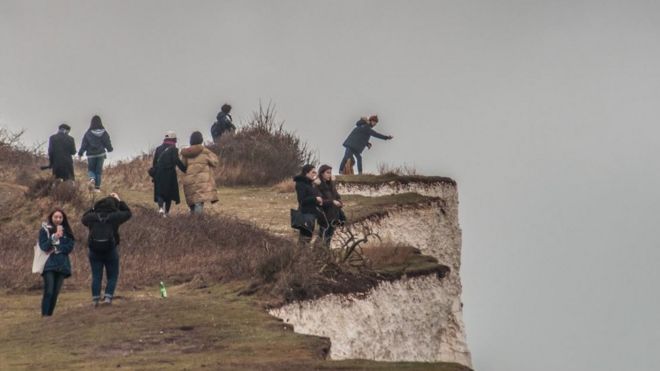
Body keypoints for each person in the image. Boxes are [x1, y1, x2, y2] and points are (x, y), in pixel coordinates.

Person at [81, 193, 132, 306]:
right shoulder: (115, 216)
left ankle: (95, 299)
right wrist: (119, 200)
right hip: (110, 249)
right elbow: (128, 213)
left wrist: (93, 207)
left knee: (96, 275)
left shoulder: (91, 217)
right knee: (113, 275)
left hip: (94, 250)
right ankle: (108, 297)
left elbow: (83, 218)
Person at [38, 208, 75, 316]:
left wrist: (57, 247)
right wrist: (54, 237)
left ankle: (50, 316)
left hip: (62, 265)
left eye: (60, 217)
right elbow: (44, 246)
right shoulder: (45, 230)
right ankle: (44, 315)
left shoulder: (67, 232)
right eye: (56, 217)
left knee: (55, 293)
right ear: (51, 217)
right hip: (48, 265)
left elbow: (69, 247)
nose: (58, 219)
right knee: (48, 291)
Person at [180, 131, 219, 214]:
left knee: (192, 203)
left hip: (189, 181)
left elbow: (182, 166)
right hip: (202, 181)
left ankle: (191, 223)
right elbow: (215, 162)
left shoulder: (186, 153)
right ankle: (198, 223)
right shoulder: (205, 152)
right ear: (201, 140)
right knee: (199, 202)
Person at [152, 131, 186, 216]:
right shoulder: (173, 149)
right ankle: (166, 213)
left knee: (160, 192)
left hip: (159, 173)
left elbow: (154, 162)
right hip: (169, 174)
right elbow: (176, 161)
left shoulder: (158, 149)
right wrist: (185, 169)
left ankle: (160, 209)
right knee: (169, 194)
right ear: (173, 139)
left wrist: (154, 174)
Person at [293, 164, 328, 245]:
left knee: (308, 237)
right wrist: (315, 199)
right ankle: (298, 256)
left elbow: (315, 195)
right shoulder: (300, 184)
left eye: (315, 172)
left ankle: (304, 255)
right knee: (304, 239)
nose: (315, 174)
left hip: (311, 213)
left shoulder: (310, 183)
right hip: (305, 214)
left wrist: (319, 199)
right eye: (313, 172)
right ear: (306, 173)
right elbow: (301, 200)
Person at [78, 115, 113, 192]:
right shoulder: (104, 132)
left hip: (91, 155)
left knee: (91, 169)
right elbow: (107, 142)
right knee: (98, 171)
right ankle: (97, 188)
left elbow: (84, 144)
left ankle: (92, 178)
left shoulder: (88, 133)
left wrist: (80, 153)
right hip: (101, 154)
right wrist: (110, 149)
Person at [316, 164, 345, 246]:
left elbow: (337, 196)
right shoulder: (318, 185)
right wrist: (332, 202)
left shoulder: (331, 184)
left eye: (330, 173)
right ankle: (316, 254)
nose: (330, 174)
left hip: (334, 214)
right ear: (322, 173)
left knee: (329, 238)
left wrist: (340, 202)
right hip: (324, 216)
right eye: (327, 172)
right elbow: (320, 202)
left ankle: (326, 255)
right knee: (322, 237)